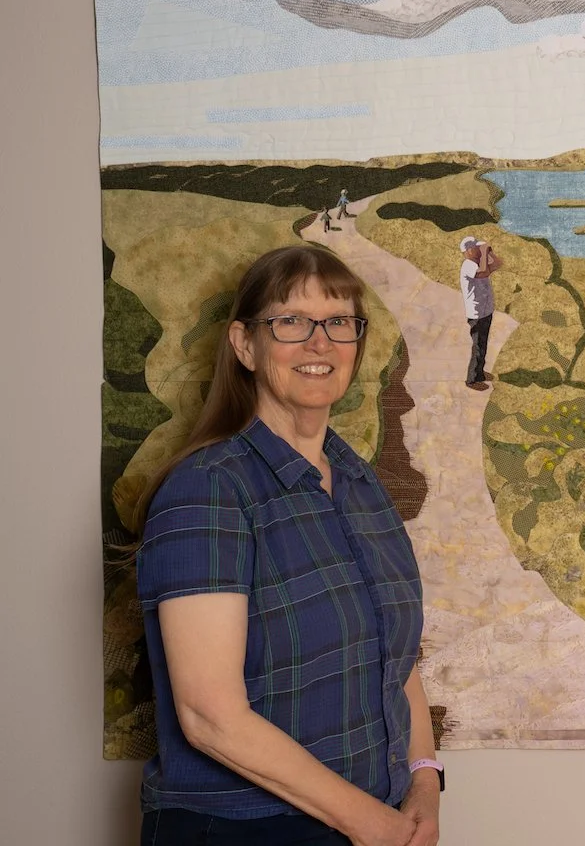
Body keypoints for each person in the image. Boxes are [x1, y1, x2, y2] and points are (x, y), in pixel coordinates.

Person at [133, 245, 441, 846]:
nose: (319, 343)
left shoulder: (358, 480)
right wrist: (370, 823)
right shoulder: (208, 490)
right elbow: (209, 717)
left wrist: (423, 783)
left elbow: (393, 655)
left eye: (339, 323)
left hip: (372, 820)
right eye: (291, 322)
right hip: (240, 831)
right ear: (245, 345)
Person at [459, 235, 501, 390]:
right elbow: (484, 272)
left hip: (485, 310)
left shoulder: (477, 262)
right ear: (469, 251)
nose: (479, 250)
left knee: (482, 344)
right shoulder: (468, 264)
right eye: (477, 248)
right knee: (478, 345)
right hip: (477, 313)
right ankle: (471, 380)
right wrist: (484, 255)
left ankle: (480, 373)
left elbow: (497, 264)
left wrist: (489, 253)